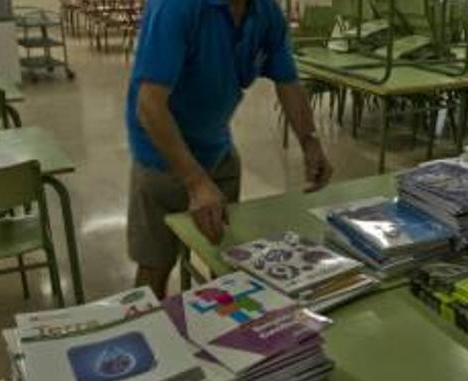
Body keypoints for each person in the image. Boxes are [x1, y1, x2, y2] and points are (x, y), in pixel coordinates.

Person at [126, 0, 334, 297]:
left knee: (226, 254)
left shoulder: (264, 12)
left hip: (216, 148)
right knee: (156, 263)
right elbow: (149, 106)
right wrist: (196, 182)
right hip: (162, 154)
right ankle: (143, 332)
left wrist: (310, 142)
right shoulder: (176, 7)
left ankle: (224, 326)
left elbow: (287, 81)